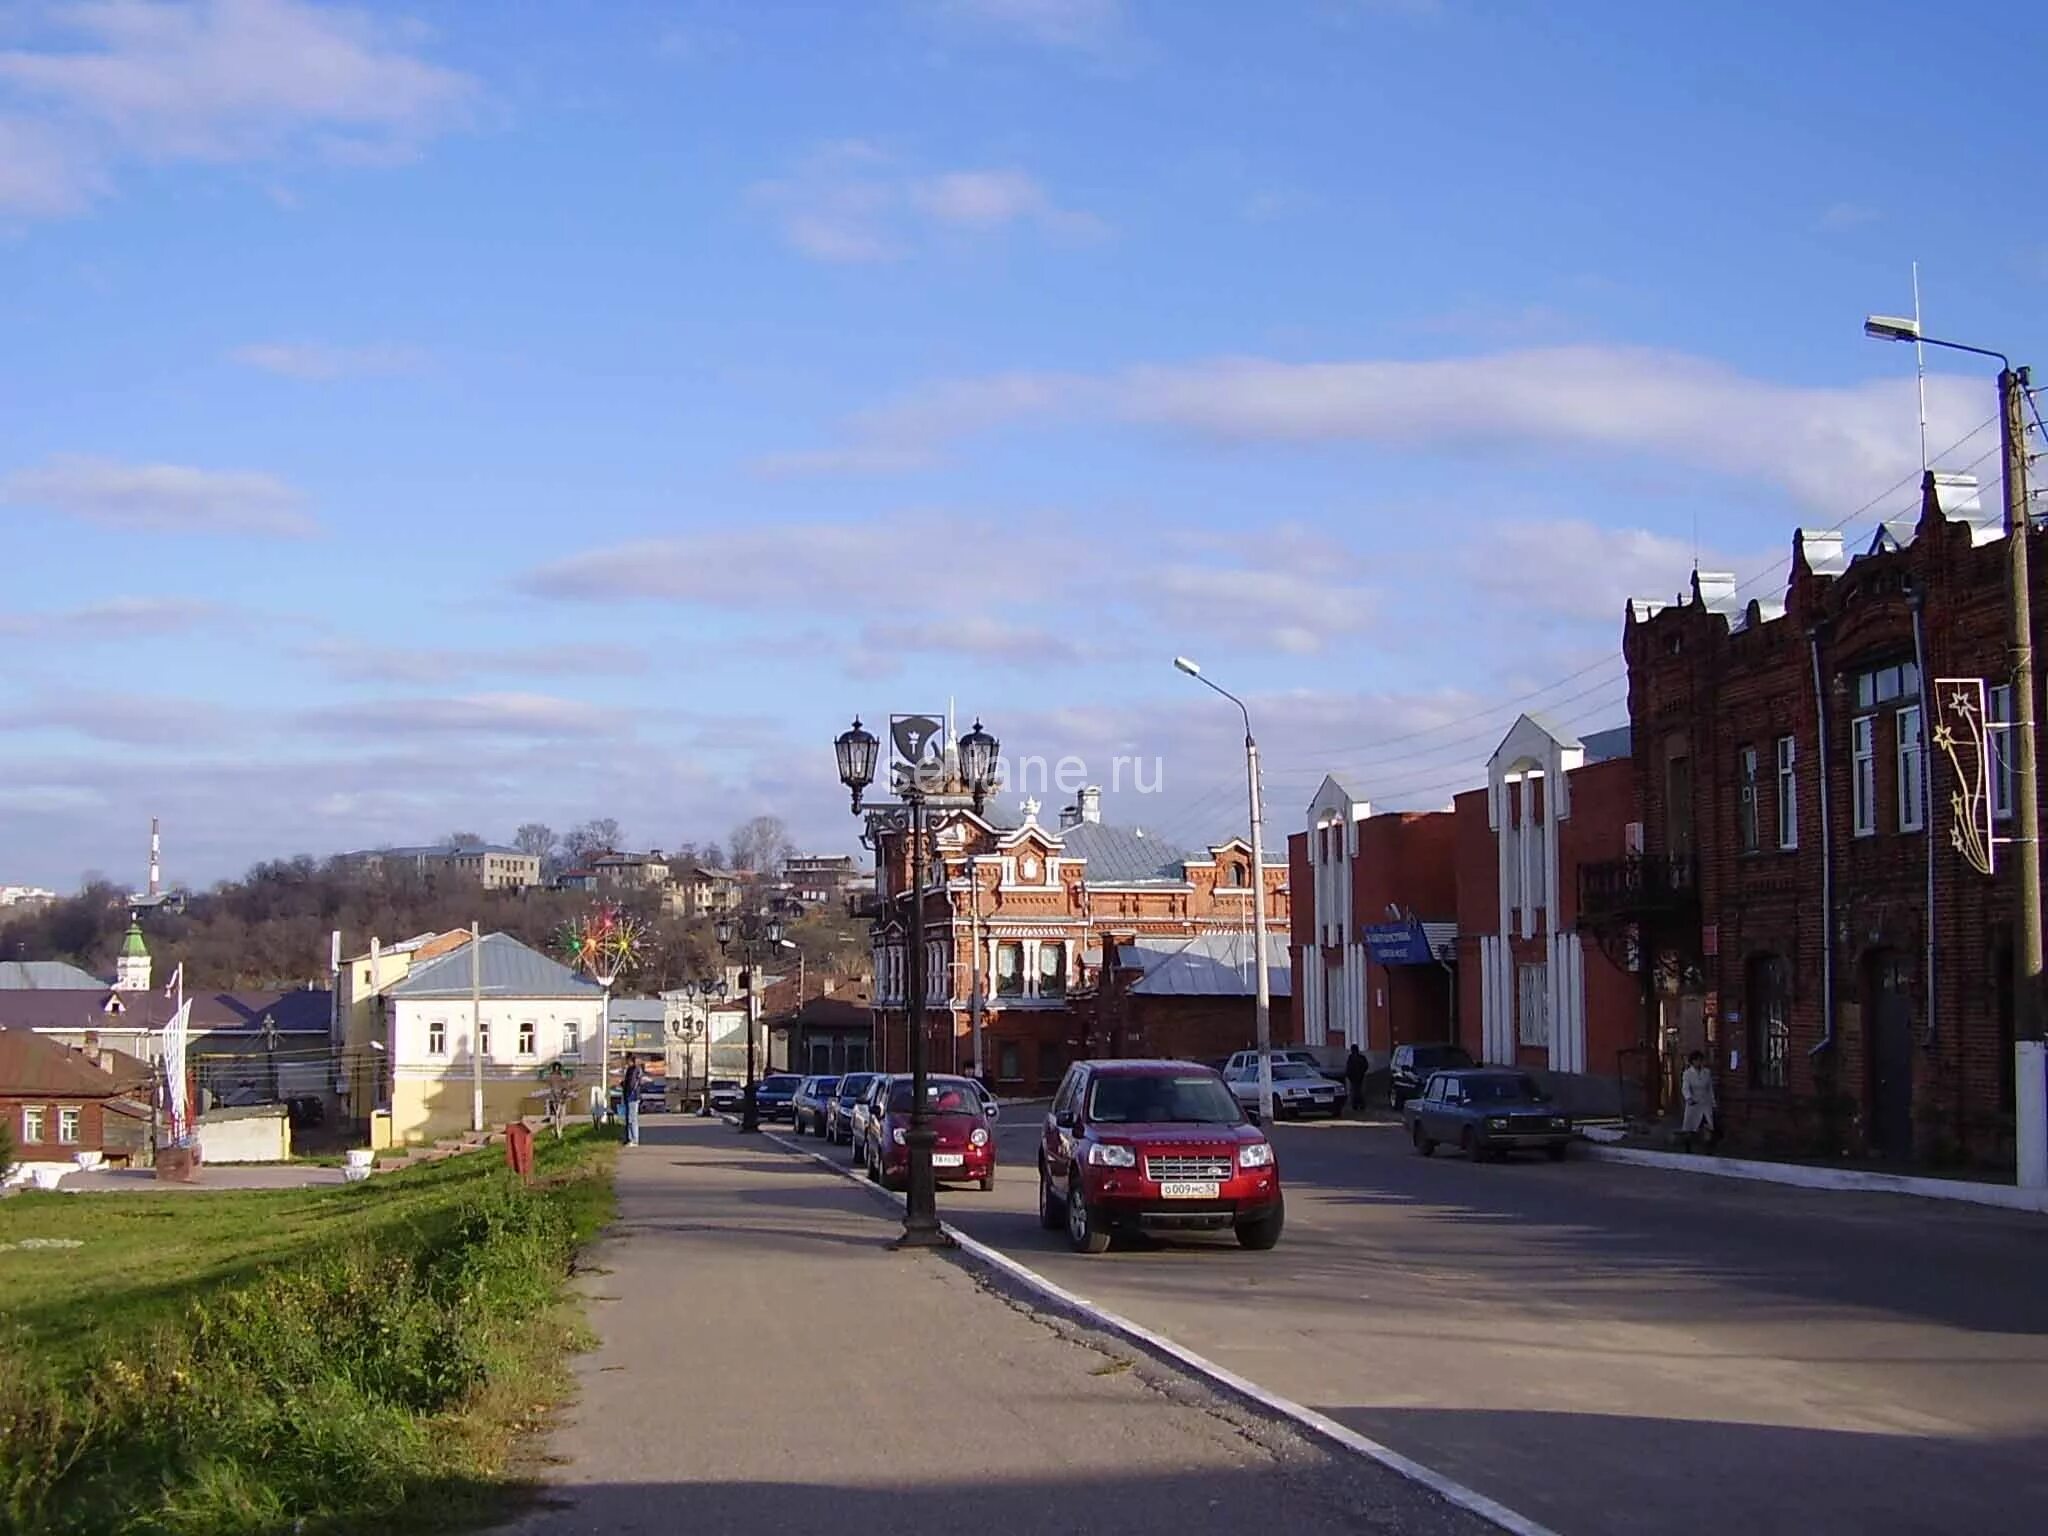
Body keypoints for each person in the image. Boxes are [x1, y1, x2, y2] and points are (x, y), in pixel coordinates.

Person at [1680, 1050, 1716, 1153]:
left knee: (1707, 1125)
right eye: (1697, 1060)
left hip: (1705, 1102)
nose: (1699, 1062)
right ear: (1692, 1061)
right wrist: (1689, 1098)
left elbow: (1710, 1088)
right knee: (1690, 1126)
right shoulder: (1687, 1074)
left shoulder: (1706, 1072)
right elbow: (1685, 1088)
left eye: (1701, 1060)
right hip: (1694, 1103)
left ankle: (1708, 1148)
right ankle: (1688, 1147)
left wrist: (1713, 1102)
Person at [620, 1059, 645, 1146]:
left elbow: (632, 1084)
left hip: (632, 1097)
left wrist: (624, 1085)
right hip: (633, 1096)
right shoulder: (635, 1070)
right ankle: (631, 1138)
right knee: (631, 1118)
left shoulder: (633, 1070)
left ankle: (633, 1139)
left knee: (632, 1119)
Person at [1345, 1045, 1369, 1114]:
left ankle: (1357, 1105)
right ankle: (1358, 1105)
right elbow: (1366, 1066)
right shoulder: (1359, 1057)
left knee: (1356, 1091)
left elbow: (1348, 1068)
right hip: (1357, 1077)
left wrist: (1349, 1075)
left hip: (1357, 1077)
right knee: (1358, 1091)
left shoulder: (1353, 1058)